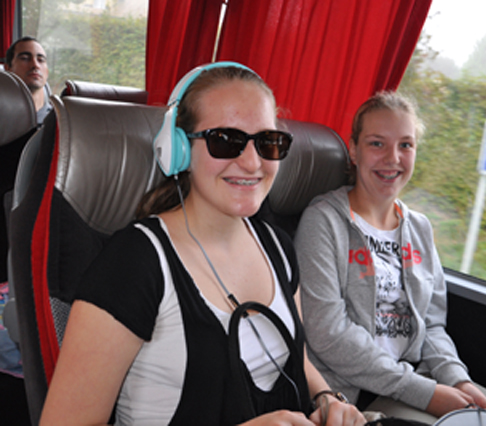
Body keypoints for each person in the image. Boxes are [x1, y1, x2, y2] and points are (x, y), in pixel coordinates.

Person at [39, 62, 366, 426]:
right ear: (178, 149)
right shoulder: (133, 264)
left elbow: (294, 357)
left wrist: (326, 399)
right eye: (225, 140)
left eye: (267, 142)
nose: (252, 162)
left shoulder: (278, 247)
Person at [295, 92, 486, 425]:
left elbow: (432, 325)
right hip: (352, 394)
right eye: (377, 144)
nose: (393, 158)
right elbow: (328, 333)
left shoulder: (420, 229)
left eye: (406, 145)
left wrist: (457, 378)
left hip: (415, 378)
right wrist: (425, 393)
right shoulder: (323, 221)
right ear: (353, 150)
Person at [5, 36, 52, 124]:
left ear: (47, 71)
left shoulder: (62, 121)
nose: (35, 65)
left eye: (41, 60)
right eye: (25, 58)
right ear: (8, 68)